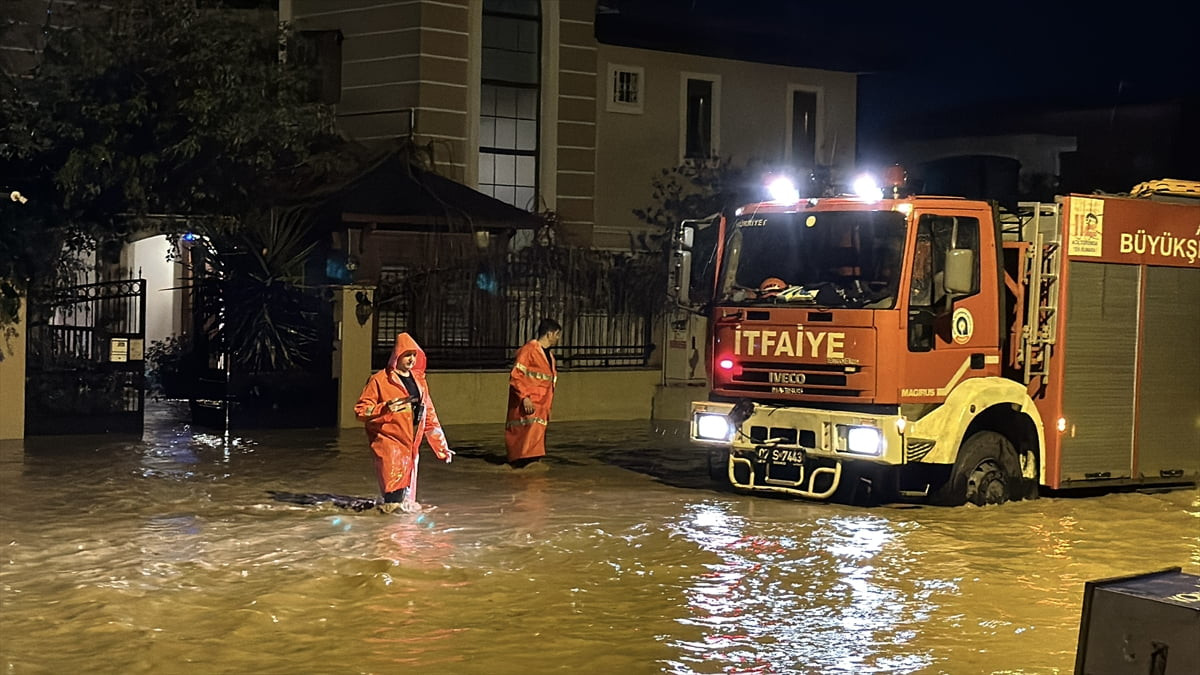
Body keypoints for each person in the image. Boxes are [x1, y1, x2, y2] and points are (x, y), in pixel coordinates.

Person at [355, 332, 453, 514]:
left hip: (411, 444)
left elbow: (429, 416)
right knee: (394, 495)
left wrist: (441, 447)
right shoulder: (379, 380)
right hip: (389, 444)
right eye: (407, 355)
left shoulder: (419, 382)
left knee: (406, 500)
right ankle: (388, 526)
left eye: (414, 355)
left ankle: (398, 528)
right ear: (397, 355)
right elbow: (361, 411)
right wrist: (385, 408)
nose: (411, 359)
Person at [505, 318, 561, 468]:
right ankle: (523, 464)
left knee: (534, 438)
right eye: (557, 334)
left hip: (542, 405)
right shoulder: (529, 350)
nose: (558, 338)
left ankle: (531, 463)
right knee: (525, 437)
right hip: (529, 402)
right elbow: (516, 376)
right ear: (550, 334)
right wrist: (524, 397)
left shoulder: (550, 356)